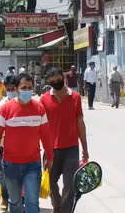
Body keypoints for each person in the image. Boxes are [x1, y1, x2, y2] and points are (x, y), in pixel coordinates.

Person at [0, 73, 53, 213]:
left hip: (33, 165)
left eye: (30, 87)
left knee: (32, 202)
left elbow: (46, 136)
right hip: (11, 165)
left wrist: (50, 156)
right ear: (17, 89)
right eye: (24, 87)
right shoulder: (5, 109)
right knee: (15, 202)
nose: (27, 90)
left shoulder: (40, 109)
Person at [39, 67, 89, 213]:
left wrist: (85, 149)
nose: (56, 83)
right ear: (48, 82)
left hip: (71, 150)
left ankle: (65, 211)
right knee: (50, 183)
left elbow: (80, 123)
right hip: (51, 150)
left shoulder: (75, 97)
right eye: (53, 82)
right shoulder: (44, 99)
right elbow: (40, 126)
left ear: (63, 77)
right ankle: (57, 207)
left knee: (70, 185)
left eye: (58, 80)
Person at [0, 75, 17, 212]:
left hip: (22, 147)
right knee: (5, 175)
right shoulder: (2, 105)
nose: (11, 91)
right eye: (9, 89)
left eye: (14, 89)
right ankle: (5, 198)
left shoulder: (26, 104)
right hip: (5, 146)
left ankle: (20, 200)